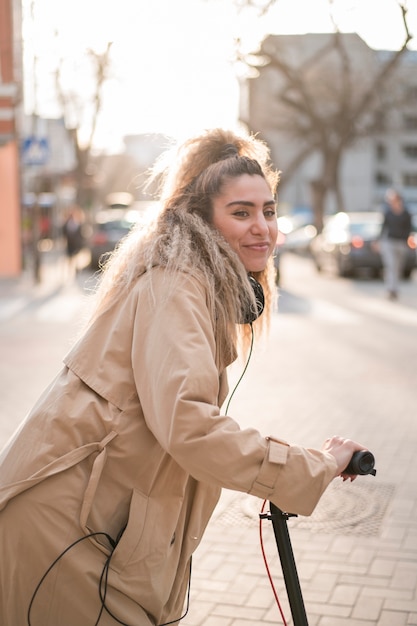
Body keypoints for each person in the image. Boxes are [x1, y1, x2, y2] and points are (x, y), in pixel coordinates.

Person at [0, 128, 368, 626]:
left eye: (269, 210)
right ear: (201, 223)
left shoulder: (193, 284)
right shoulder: (176, 284)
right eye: (241, 213)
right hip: (65, 530)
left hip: (96, 526)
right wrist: (311, 467)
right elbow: (190, 426)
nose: (263, 227)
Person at [379, 188, 412, 300]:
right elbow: (383, 227)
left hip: (401, 243)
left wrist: (407, 240)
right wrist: (378, 240)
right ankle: (391, 289)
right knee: (390, 265)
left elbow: (409, 229)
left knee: (398, 267)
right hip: (389, 242)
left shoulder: (406, 213)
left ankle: (395, 288)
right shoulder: (388, 213)